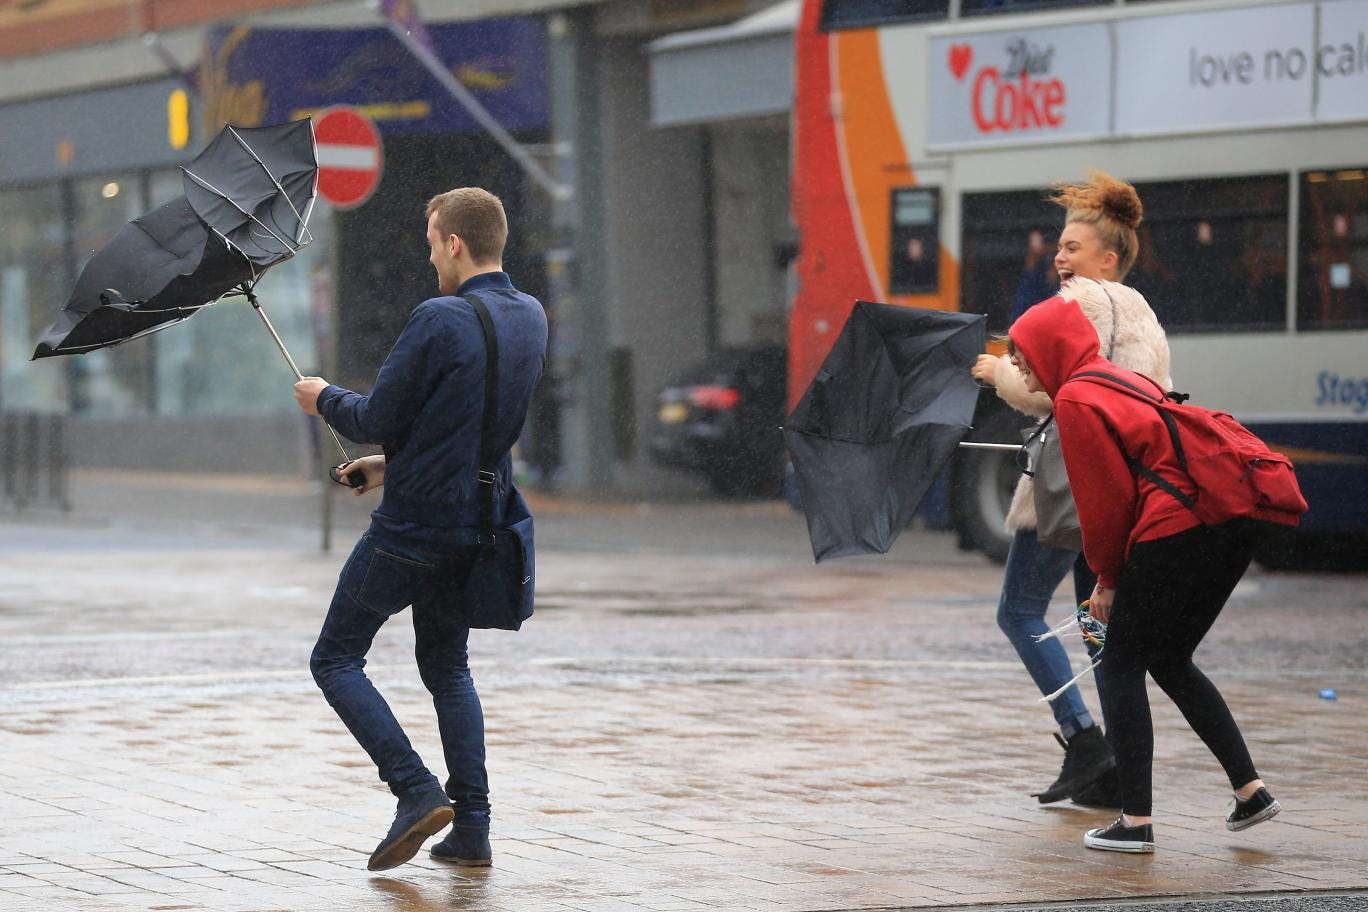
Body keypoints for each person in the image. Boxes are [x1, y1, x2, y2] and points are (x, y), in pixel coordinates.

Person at [292, 188, 548, 871]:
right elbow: (471, 421)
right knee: (446, 666)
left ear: (454, 243)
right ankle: (473, 830)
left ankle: (414, 791)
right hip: (481, 521)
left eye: (433, 242)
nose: (430, 255)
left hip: (414, 528)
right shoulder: (530, 316)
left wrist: (323, 398)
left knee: (335, 659)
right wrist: (387, 466)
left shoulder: (439, 317)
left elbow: (375, 415)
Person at [1005, 295, 1281, 854]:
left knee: (1118, 664)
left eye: (1023, 353)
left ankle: (1135, 822)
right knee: (1169, 658)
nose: (1017, 364)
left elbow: (1106, 503)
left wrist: (1107, 580)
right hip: (1227, 519)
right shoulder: (1115, 378)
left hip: (1179, 525)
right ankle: (1250, 792)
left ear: (1049, 348)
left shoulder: (1076, 398)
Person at [970, 171, 1170, 808]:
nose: (1059, 257)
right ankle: (1117, 776)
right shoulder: (1143, 312)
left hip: (1071, 485)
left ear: (1107, 258)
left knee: (1019, 611)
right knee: (1097, 629)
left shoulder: (1080, 303)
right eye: (1059, 246)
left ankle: (1083, 739)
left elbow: (1050, 391)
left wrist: (996, 372)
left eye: (1072, 248)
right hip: (1122, 489)